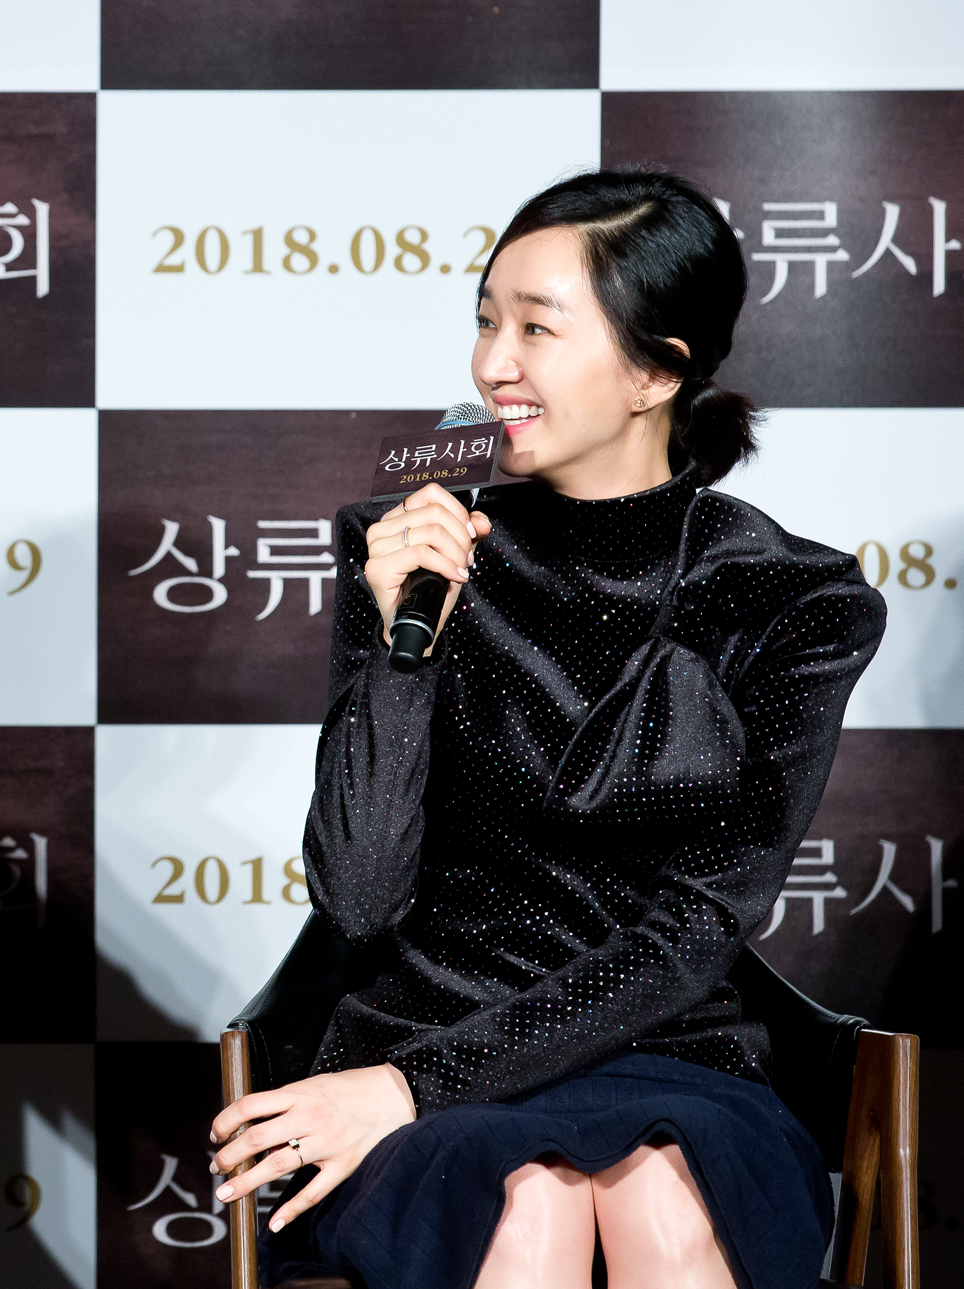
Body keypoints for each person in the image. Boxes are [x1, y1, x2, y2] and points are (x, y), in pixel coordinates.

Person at [211, 169, 885, 1289]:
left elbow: (695, 929)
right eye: (484, 321)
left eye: (535, 328)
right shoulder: (411, 544)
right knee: (527, 1202)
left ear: (654, 370)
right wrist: (402, 652)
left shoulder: (791, 598)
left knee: (664, 1197)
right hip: (418, 1038)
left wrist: (410, 1089)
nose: (491, 365)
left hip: (666, 1051)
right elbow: (358, 897)